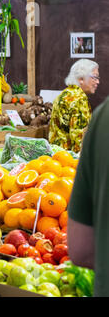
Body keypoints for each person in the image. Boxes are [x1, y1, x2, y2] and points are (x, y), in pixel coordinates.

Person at [67, 96, 109, 297]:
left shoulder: (102, 115)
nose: (97, 81)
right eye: (94, 76)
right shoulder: (79, 101)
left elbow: (82, 250)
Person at [48, 59, 99, 153]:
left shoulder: (65, 94)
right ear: (81, 79)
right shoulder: (79, 98)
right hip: (69, 158)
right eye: (95, 78)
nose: (97, 82)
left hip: (56, 153)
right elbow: (79, 138)